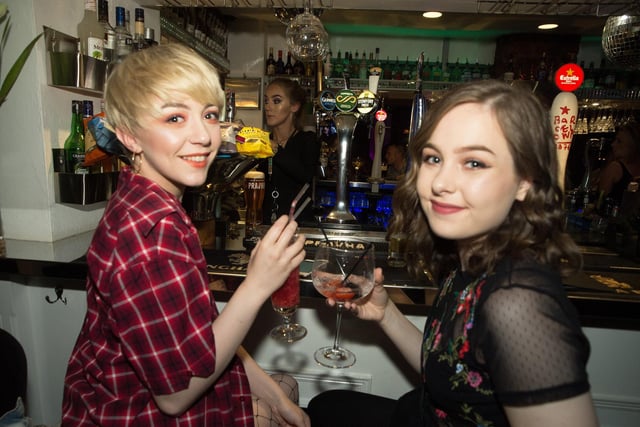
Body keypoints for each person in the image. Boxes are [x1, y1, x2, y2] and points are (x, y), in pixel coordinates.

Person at [307, 79, 598, 427]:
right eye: (433, 158)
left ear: (526, 181)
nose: (440, 182)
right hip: (415, 413)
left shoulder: (517, 302)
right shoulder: (471, 262)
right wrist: (386, 315)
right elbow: (452, 374)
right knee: (325, 405)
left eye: (474, 163)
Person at [61, 44, 310, 427]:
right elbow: (175, 395)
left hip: (114, 400)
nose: (203, 137)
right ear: (129, 135)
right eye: (175, 118)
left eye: (209, 115)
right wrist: (258, 284)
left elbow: (196, 334)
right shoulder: (152, 232)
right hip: (136, 414)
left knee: (287, 388)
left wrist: (276, 397)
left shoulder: (151, 203)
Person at [260, 78, 319, 224]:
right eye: (266, 101)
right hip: (266, 224)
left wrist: (275, 149)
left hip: (298, 224)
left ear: (294, 106)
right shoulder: (262, 141)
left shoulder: (307, 140)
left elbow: (304, 175)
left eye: (276, 101)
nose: (268, 107)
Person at [596, 122, 640, 211]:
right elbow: (600, 202)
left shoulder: (616, 168)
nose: (613, 145)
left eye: (619, 141)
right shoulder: (615, 167)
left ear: (632, 146)